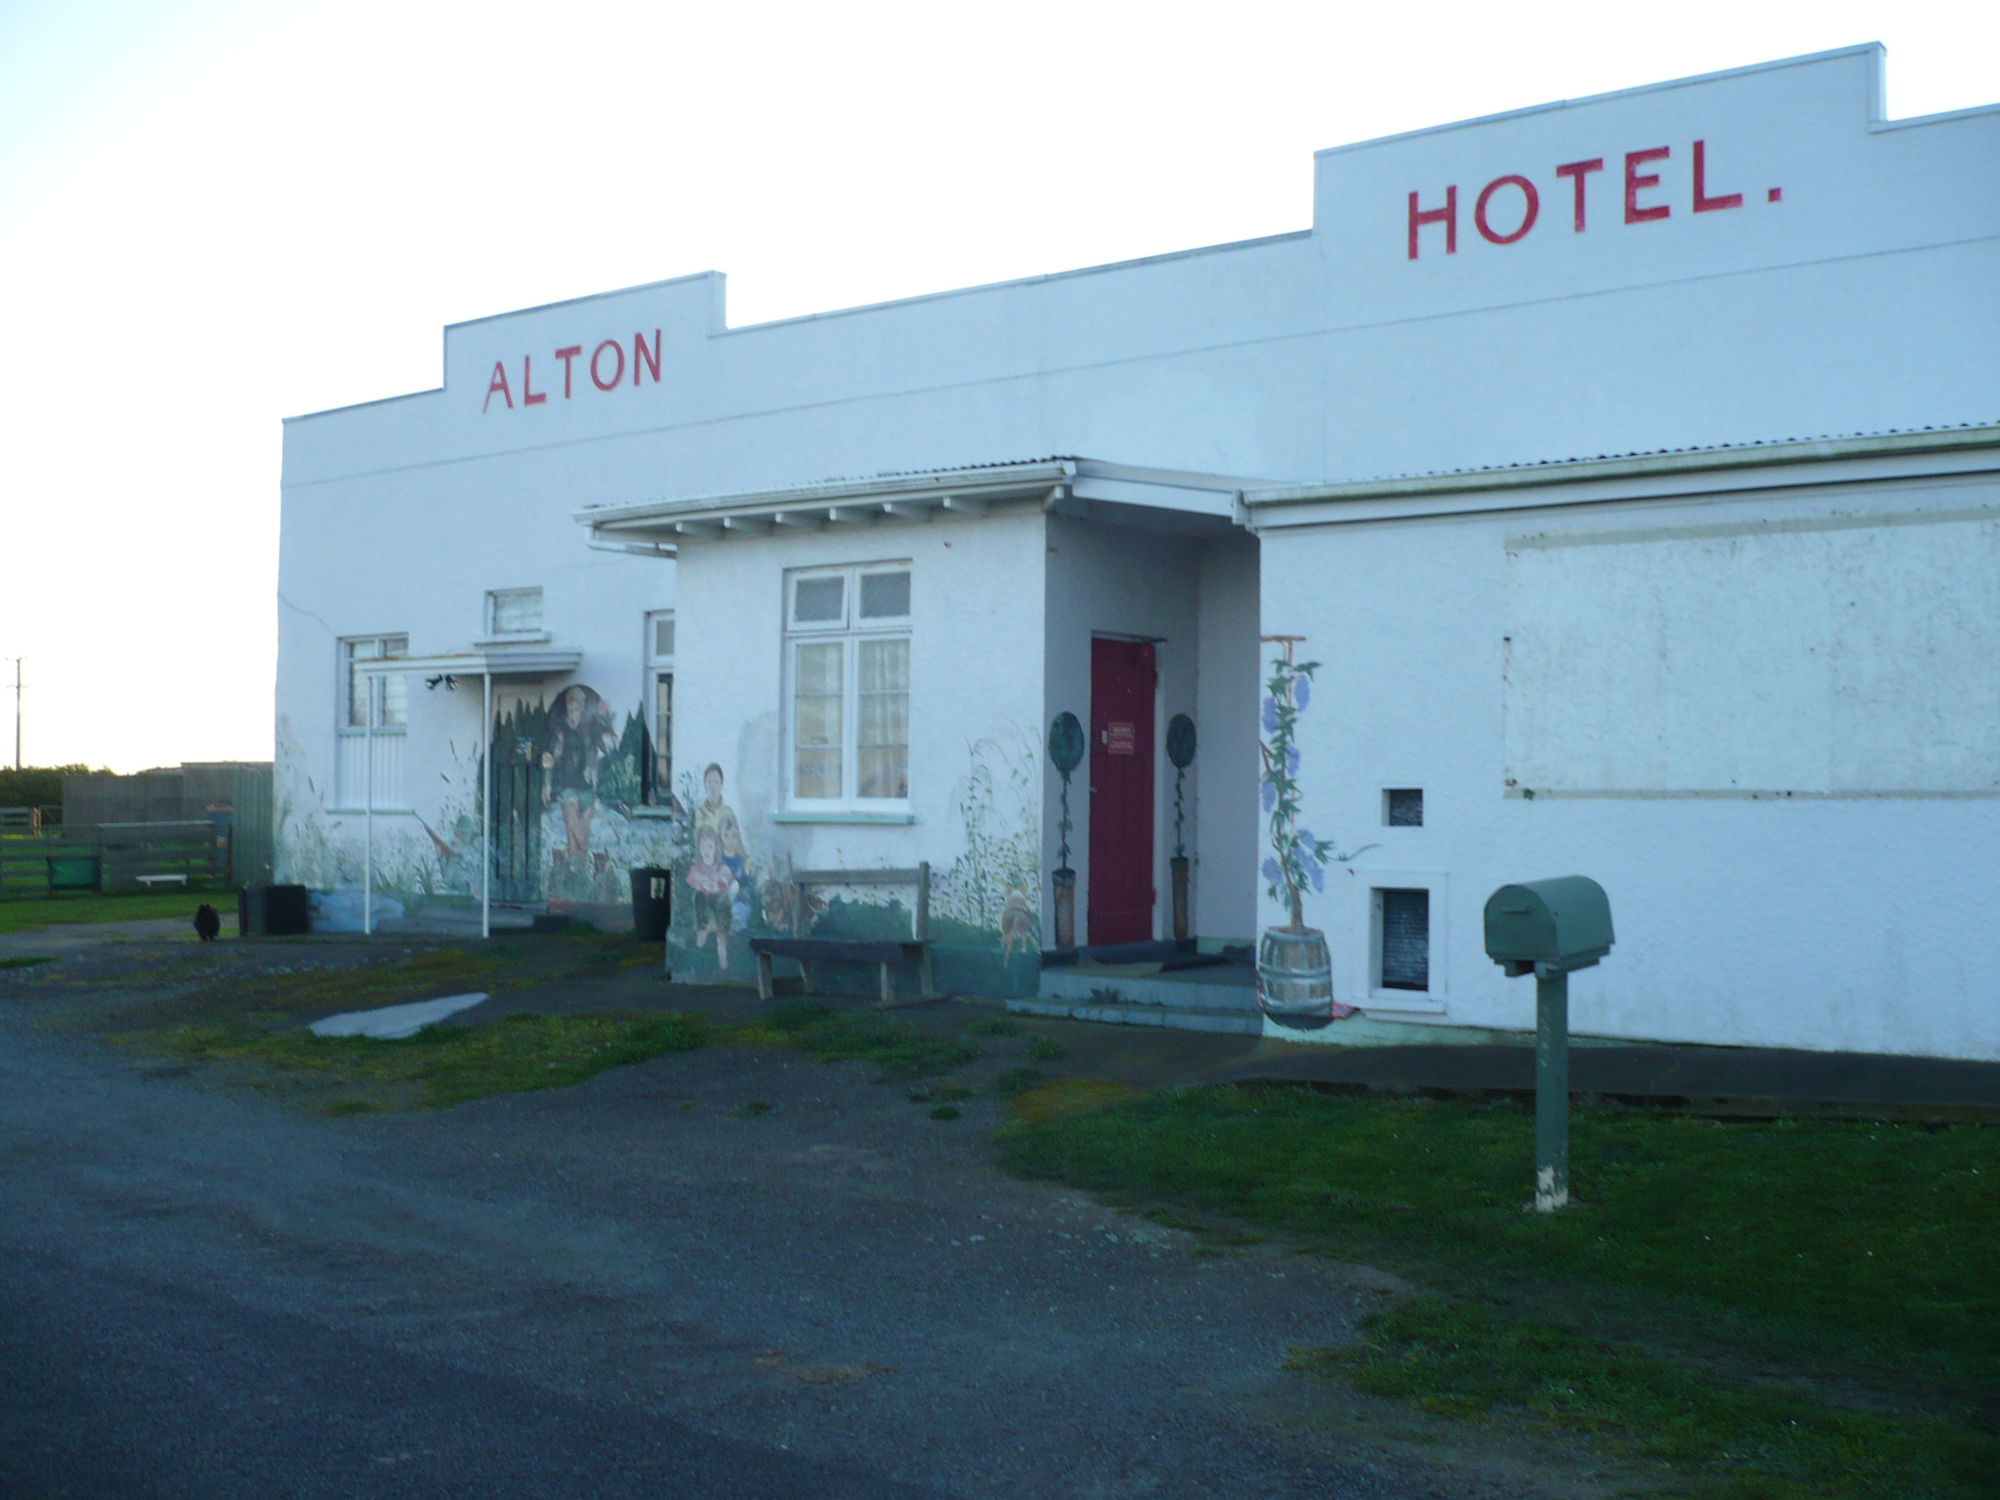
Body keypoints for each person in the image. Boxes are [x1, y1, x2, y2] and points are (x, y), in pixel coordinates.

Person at [540, 686, 617, 865]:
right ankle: (581, 853)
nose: (574, 713)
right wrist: (547, 784)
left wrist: (606, 723)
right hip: (569, 785)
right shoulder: (562, 733)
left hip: (587, 787)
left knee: (584, 820)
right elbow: (551, 758)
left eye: (577, 709)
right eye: (571, 709)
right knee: (570, 811)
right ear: (567, 709)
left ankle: (576, 861)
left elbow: (604, 745)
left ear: (582, 710)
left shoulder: (589, 730)